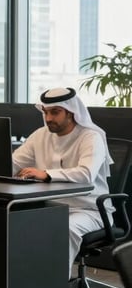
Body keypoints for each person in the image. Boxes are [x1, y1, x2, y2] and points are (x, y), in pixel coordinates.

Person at [11, 87, 112, 277]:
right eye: (46, 112)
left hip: (88, 210)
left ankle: (54, 286)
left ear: (71, 112)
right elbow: (14, 163)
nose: (49, 118)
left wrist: (46, 174)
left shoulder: (91, 137)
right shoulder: (40, 136)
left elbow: (86, 174)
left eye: (55, 112)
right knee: (15, 222)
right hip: (50, 207)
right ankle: (23, 282)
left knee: (63, 229)